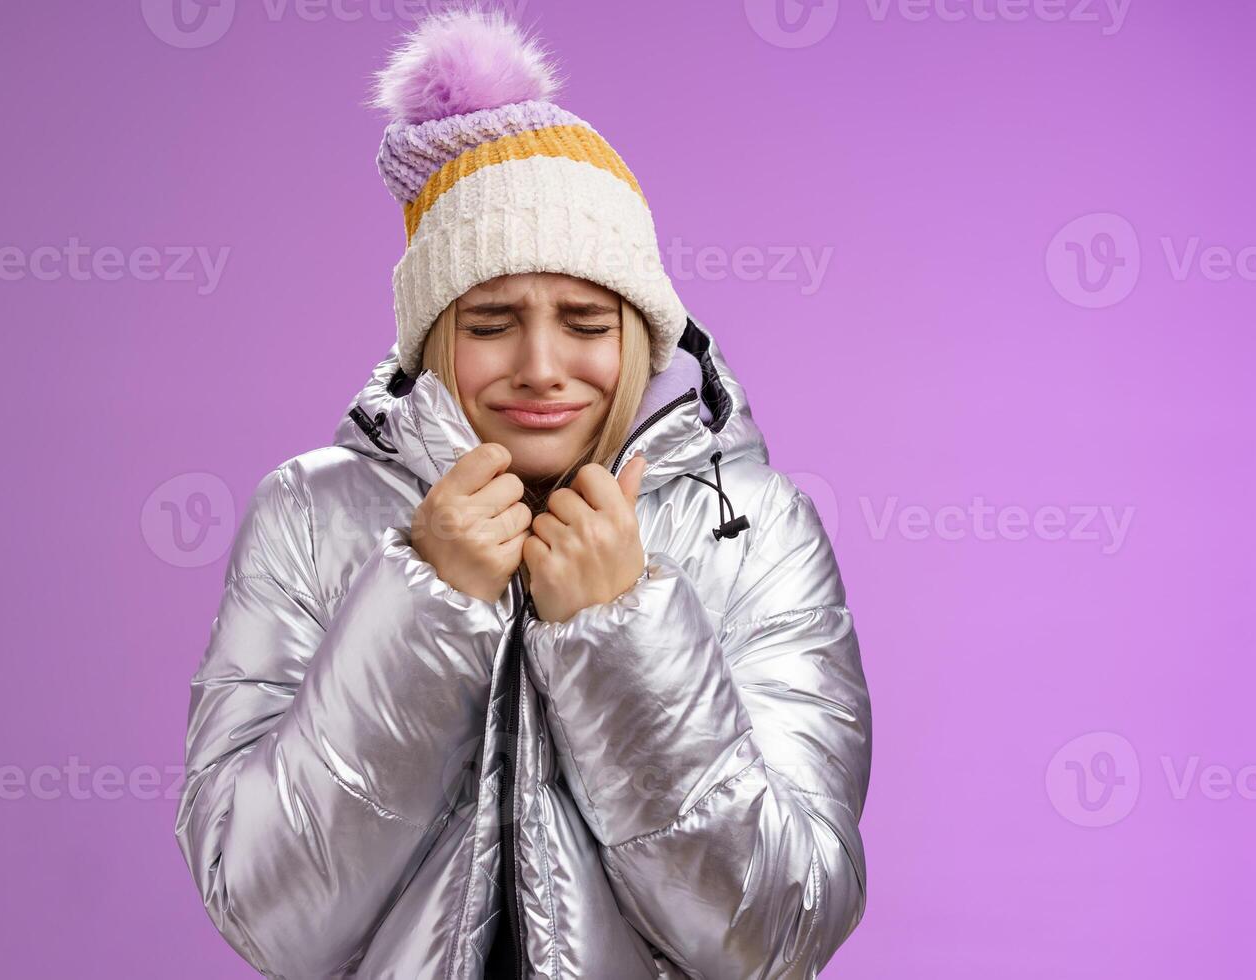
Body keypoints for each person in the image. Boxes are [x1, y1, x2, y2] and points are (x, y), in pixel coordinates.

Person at [175, 12, 872, 978]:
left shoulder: (752, 529)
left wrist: (621, 631)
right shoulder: (308, 515)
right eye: (492, 322)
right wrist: (424, 601)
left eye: (586, 320)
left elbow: (777, 933)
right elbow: (268, 914)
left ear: (642, 338)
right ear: (431, 339)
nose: (542, 367)